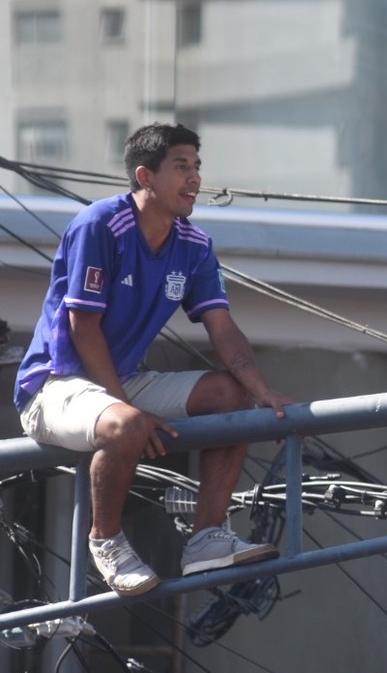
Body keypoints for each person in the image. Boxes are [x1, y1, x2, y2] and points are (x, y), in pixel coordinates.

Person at [13, 124, 294, 596]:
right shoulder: (101, 225)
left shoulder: (194, 244)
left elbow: (221, 326)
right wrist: (126, 406)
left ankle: (206, 537)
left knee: (231, 396)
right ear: (145, 176)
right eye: (181, 167)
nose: (195, 179)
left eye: (197, 167)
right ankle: (105, 540)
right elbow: (83, 327)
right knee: (126, 424)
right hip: (54, 386)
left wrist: (260, 389)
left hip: (118, 382)